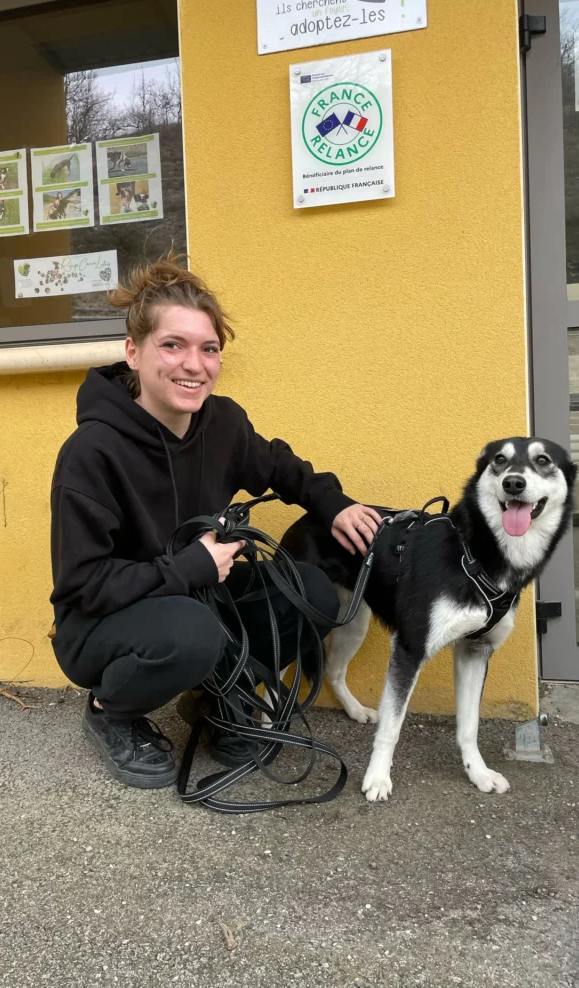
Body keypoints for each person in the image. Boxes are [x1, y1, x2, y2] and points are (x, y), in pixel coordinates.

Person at [49, 253, 381, 790]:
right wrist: (192, 566)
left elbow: (281, 467)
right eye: (173, 345)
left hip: (194, 594)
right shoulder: (91, 453)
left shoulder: (222, 422)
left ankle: (216, 699)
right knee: (193, 632)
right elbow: (84, 585)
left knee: (312, 591)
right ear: (133, 352)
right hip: (100, 624)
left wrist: (334, 504)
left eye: (209, 349)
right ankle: (110, 710)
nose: (194, 364)